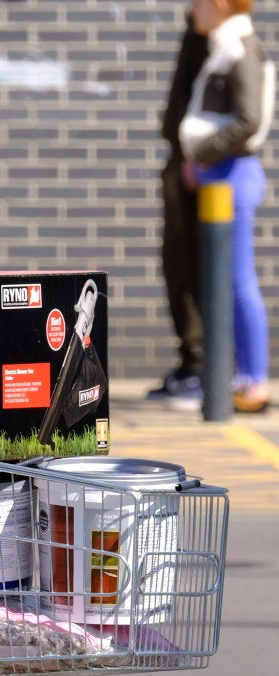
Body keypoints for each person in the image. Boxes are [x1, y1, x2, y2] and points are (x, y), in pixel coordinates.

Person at [179, 0, 275, 413]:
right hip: (222, 175)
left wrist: (203, 152)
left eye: (198, 1)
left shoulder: (240, 48)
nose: (191, 9)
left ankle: (254, 381)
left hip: (232, 175)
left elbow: (250, 120)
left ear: (219, 4)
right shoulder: (225, 45)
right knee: (227, 280)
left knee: (236, 280)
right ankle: (240, 378)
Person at [147, 15, 209, 408]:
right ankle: (192, 361)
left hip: (196, 167)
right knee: (176, 265)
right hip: (181, 161)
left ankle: (205, 366)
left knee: (198, 265)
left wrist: (196, 154)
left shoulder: (220, 33)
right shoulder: (198, 27)